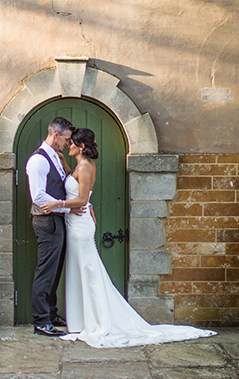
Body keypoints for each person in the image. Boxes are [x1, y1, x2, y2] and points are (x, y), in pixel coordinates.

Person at [40, 127, 216, 347]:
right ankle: (81, 320)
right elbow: (71, 181)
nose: (69, 145)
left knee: (87, 269)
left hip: (80, 227)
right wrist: (61, 160)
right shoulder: (81, 166)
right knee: (79, 269)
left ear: (82, 146)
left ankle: (97, 320)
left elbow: (82, 200)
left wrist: (57, 204)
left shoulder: (85, 168)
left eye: (72, 143)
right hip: (75, 224)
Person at [25, 116, 77, 337]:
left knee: (54, 271)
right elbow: (37, 196)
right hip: (47, 222)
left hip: (57, 220)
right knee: (46, 271)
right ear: (56, 135)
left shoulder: (55, 156)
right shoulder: (38, 160)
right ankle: (41, 321)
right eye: (66, 139)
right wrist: (67, 208)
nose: (67, 143)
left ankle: (51, 312)